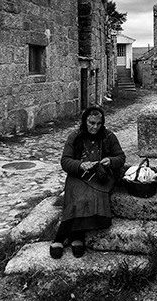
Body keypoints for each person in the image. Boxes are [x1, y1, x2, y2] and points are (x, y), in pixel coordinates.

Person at [50, 105, 125, 258]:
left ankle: (77, 236)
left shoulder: (109, 136)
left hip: (100, 177)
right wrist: (80, 165)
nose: (95, 127)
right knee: (78, 197)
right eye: (91, 123)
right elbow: (65, 161)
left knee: (91, 198)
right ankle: (64, 237)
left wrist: (110, 161)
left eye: (98, 123)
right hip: (78, 176)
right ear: (85, 122)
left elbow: (121, 157)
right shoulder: (75, 137)